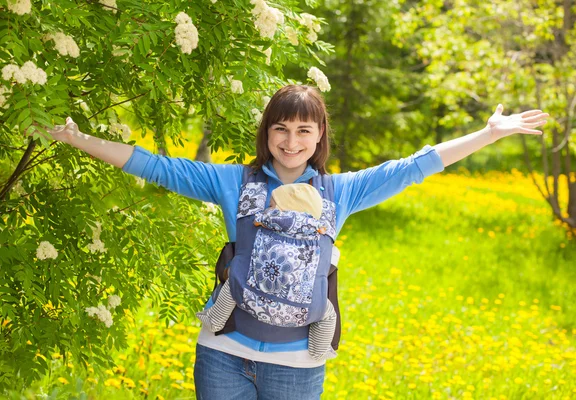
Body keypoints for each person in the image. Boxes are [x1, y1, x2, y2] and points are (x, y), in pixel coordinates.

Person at [45, 85, 548, 399]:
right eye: (280, 129)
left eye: (303, 130)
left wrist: (489, 134)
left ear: (320, 134)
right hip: (222, 355)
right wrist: (74, 138)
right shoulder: (232, 183)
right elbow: (155, 166)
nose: (290, 141)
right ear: (266, 133)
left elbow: (415, 166)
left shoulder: (340, 191)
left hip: (298, 365)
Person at [195, 183, 338, 362]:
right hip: (303, 312)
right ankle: (319, 350)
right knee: (328, 313)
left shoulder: (263, 221)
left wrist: (257, 194)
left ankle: (215, 319)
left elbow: (252, 217)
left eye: (272, 205)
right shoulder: (322, 234)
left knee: (234, 283)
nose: (269, 208)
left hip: (250, 298)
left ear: (281, 207)